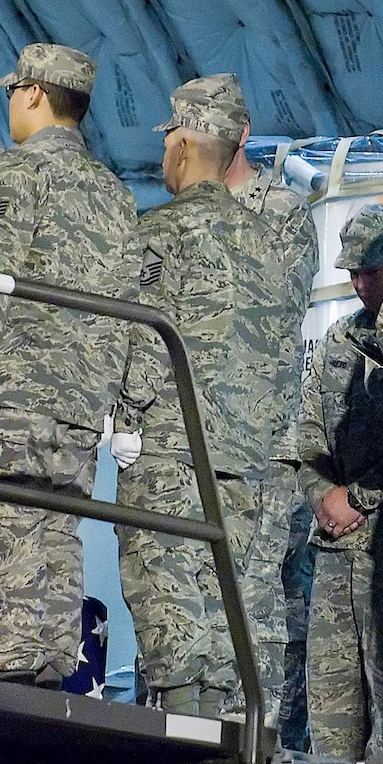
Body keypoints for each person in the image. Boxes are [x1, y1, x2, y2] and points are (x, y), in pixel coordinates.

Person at [0, 43, 138, 685]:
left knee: (3, 531)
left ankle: (15, 673)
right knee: (58, 535)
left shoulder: (17, 173)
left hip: (15, 392)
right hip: (81, 403)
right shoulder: (115, 194)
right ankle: (54, 667)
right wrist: (111, 404)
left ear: (32, 94)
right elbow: (127, 305)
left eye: (12, 93)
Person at [112, 74, 287, 719]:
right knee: (227, 606)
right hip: (244, 453)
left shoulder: (162, 230)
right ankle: (231, 737)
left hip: (173, 449)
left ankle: (184, 736)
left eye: (167, 143)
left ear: (184, 145)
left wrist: (127, 417)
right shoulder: (269, 240)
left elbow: (146, 331)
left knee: (170, 599)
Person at [297, 203, 383, 761]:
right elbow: (303, 440)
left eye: (373, 269)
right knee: (330, 718)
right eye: (353, 272)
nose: (361, 283)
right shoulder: (336, 346)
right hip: (334, 554)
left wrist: (361, 496)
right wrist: (322, 498)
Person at [225, 125, 319, 746]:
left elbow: (273, 315)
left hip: (259, 436)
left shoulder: (282, 212)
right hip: (197, 438)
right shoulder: (183, 216)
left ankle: (255, 738)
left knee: (258, 593)